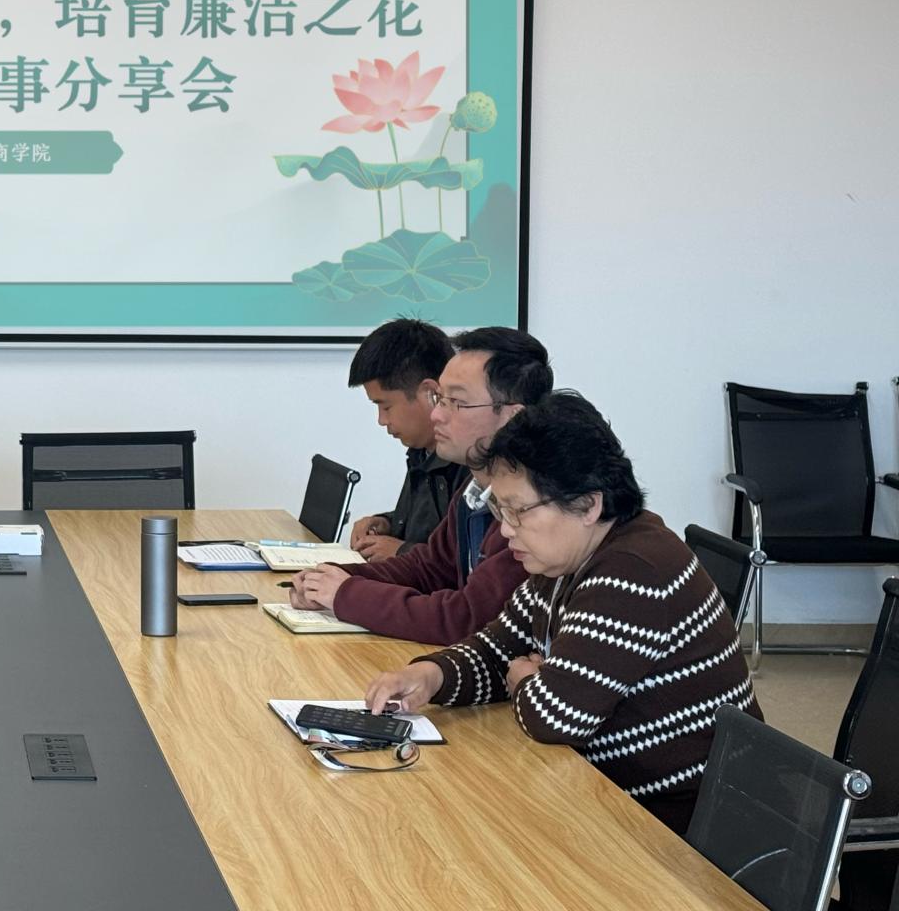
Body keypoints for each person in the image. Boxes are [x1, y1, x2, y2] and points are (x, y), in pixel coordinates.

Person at [364, 392, 760, 835]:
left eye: (518, 511)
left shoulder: (634, 571)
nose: (506, 529)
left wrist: (526, 680)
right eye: (500, 509)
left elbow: (553, 717)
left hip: (681, 832)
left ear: (588, 505)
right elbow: (498, 648)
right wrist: (430, 676)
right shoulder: (563, 560)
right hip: (603, 798)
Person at [291, 326, 550, 644]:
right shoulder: (473, 491)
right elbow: (427, 568)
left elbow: (468, 619)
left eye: (456, 402)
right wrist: (332, 576)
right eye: (439, 399)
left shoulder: (535, 507)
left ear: (512, 417)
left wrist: (346, 593)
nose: (437, 414)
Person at [344, 318, 459, 560]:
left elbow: (459, 564)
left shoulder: (469, 463)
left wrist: (401, 551)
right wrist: (388, 523)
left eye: (386, 406)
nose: (381, 420)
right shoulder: (421, 451)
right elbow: (425, 529)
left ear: (430, 393)